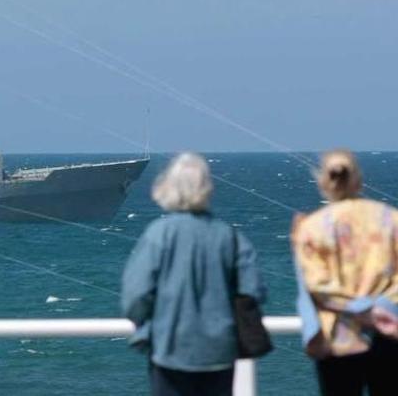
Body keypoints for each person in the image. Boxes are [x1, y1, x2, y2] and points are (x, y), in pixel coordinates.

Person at [122, 152, 266, 396]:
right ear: (207, 188)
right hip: (220, 352)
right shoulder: (229, 237)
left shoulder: (158, 235)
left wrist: (147, 323)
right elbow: (253, 291)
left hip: (169, 350)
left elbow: (135, 296)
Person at [292, 150, 398, 396]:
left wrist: (357, 308)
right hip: (390, 334)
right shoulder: (391, 220)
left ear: (322, 182)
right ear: (359, 180)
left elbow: (317, 286)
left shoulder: (311, 228)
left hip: (338, 339)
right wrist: (378, 309)